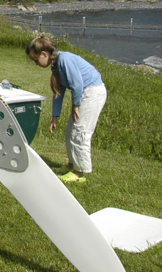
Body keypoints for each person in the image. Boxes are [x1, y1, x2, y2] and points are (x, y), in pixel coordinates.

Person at [26, 35, 107, 183]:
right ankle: (71, 165)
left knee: (80, 131)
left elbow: (77, 85)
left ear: (44, 54)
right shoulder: (55, 64)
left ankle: (79, 173)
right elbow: (59, 92)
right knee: (70, 131)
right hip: (85, 93)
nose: (36, 64)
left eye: (36, 60)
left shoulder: (64, 59)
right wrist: (55, 116)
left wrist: (76, 105)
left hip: (93, 92)